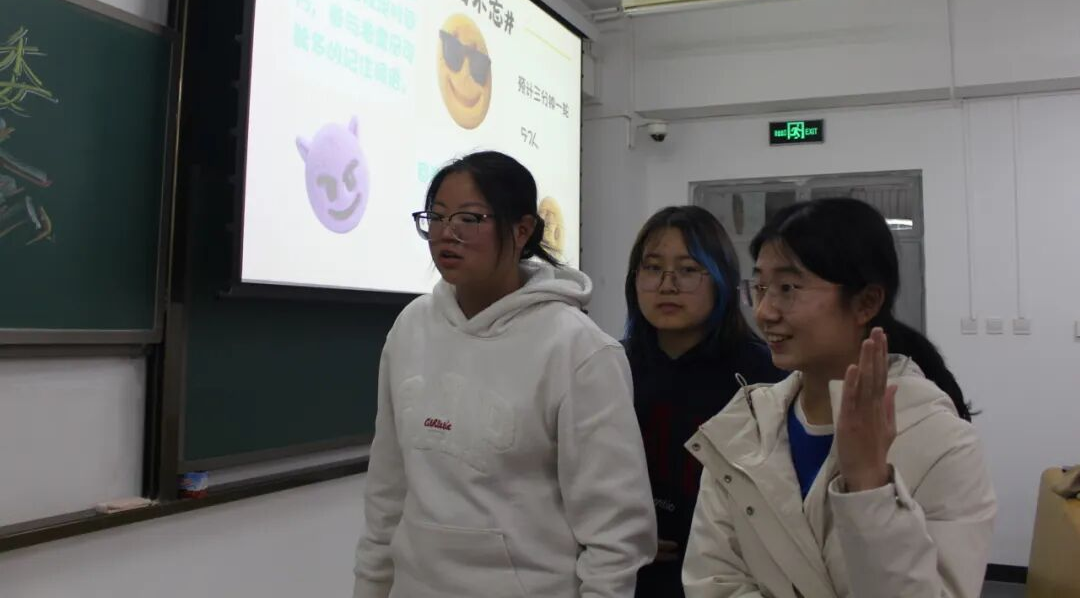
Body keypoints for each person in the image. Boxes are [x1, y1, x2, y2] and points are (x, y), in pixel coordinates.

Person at [353, 150, 657, 598]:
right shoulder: (411, 327)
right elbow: (386, 492)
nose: (446, 234)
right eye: (436, 217)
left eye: (469, 219)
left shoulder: (578, 349)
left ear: (522, 230)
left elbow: (616, 533)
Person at [682, 198, 996, 598]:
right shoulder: (744, 428)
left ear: (866, 303)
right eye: (760, 288)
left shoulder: (941, 442)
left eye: (788, 288)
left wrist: (869, 487)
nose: (764, 312)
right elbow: (715, 582)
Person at [622, 206, 786, 598]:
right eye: (653, 268)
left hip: (731, 577)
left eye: (688, 269)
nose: (668, 285)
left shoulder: (763, 375)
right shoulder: (609, 366)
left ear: (721, 279)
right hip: (622, 575)